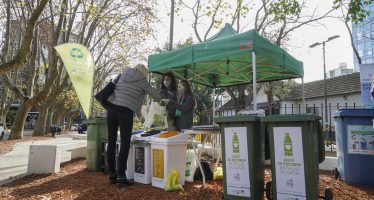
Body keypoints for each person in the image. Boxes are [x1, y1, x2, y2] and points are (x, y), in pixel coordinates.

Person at [106, 64, 162, 186]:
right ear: (144, 73)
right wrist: (166, 101)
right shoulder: (142, 81)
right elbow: (156, 95)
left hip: (111, 109)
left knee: (111, 142)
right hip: (125, 112)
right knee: (125, 143)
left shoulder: (123, 74)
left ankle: (112, 175)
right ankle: (121, 176)